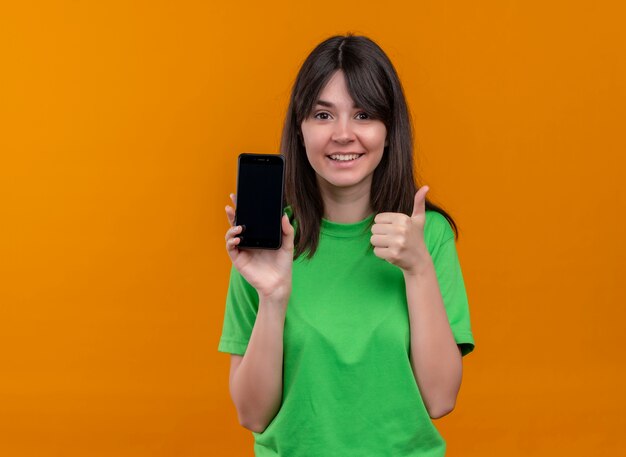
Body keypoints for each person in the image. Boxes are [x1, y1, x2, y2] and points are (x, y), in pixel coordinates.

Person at [219, 33, 475, 457]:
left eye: (363, 115)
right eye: (323, 114)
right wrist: (273, 296)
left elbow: (440, 400)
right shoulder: (269, 240)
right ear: (299, 129)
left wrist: (418, 269)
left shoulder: (427, 236)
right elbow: (253, 416)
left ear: (389, 131)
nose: (342, 134)